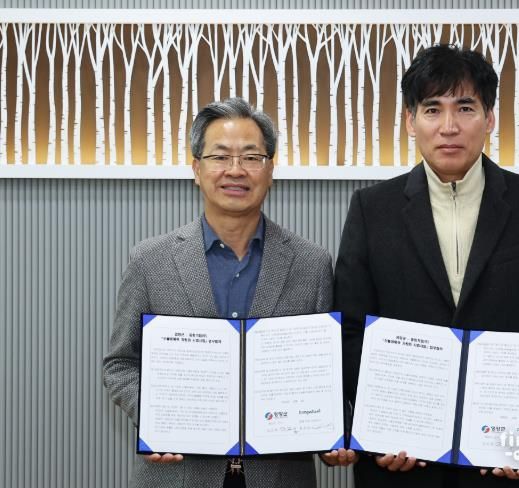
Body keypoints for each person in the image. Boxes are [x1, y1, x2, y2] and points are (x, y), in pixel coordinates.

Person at [335, 45, 519, 488]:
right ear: (410, 121)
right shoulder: (371, 209)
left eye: (465, 108)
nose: (449, 126)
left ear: (489, 119)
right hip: (401, 466)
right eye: (432, 109)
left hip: (506, 466)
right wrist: (382, 427)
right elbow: (349, 329)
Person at [103, 97, 351, 488]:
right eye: (220, 157)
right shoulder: (149, 260)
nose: (235, 170)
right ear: (196, 169)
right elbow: (120, 364)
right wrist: (154, 417)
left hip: (280, 477)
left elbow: (328, 373)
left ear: (270, 169)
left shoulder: (312, 263)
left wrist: (334, 430)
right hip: (178, 476)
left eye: (251, 157)